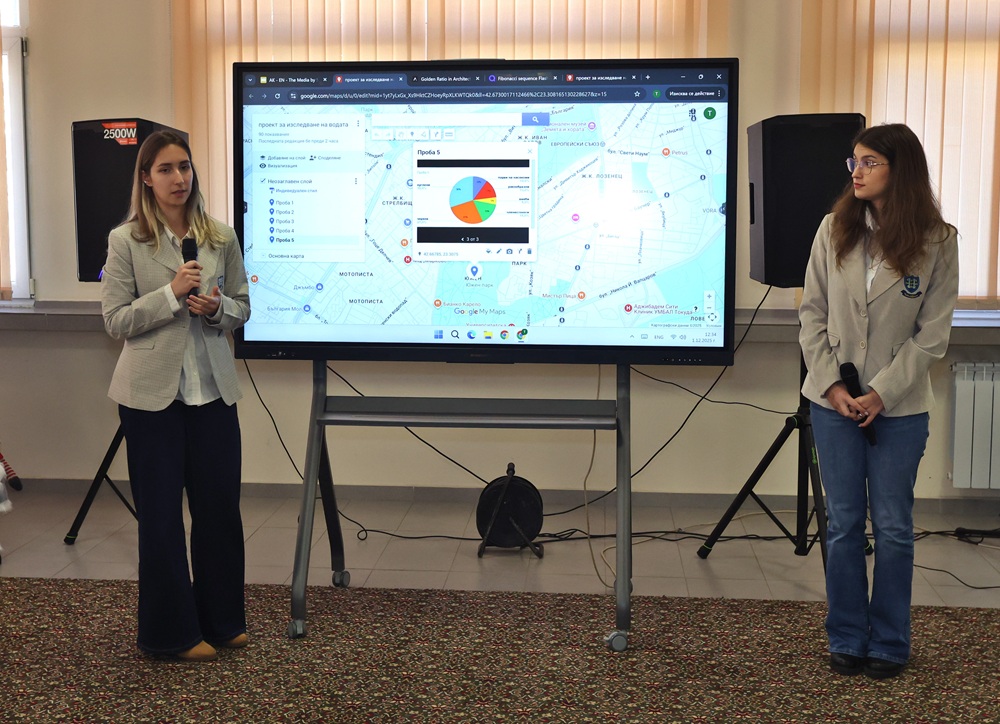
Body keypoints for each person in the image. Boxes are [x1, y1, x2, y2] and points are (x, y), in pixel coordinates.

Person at [799, 123, 959, 680]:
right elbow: (812, 314)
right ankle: (846, 635)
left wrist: (881, 394)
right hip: (834, 404)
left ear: (901, 169)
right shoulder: (833, 229)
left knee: (892, 527)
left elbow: (932, 336)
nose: (857, 172)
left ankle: (890, 641)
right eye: (854, 162)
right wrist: (833, 386)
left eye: (870, 162)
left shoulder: (938, 240)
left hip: (900, 409)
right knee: (843, 524)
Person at [101, 130, 251, 662]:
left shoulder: (220, 236)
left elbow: (242, 305)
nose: (178, 178)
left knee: (219, 512)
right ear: (146, 178)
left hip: (212, 394)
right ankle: (171, 634)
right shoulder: (126, 241)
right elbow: (115, 320)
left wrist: (217, 309)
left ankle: (222, 621)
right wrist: (171, 294)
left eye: (184, 166)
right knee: (162, 519)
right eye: (165, 169)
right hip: (151, 401)